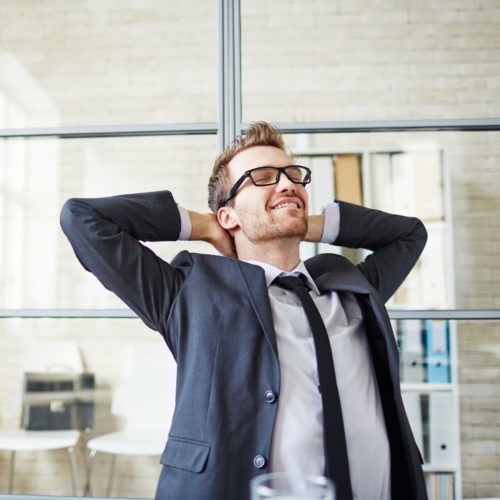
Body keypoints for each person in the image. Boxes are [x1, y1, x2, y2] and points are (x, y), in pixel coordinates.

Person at [61, 121, 428, 500]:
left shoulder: (351, 286)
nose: (287, 184)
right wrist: (203, 225)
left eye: (293, 177)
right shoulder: (189, 291)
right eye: (263, 178)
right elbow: (82, 219)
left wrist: (303, 222)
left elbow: (410, 234)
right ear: (228, 216)